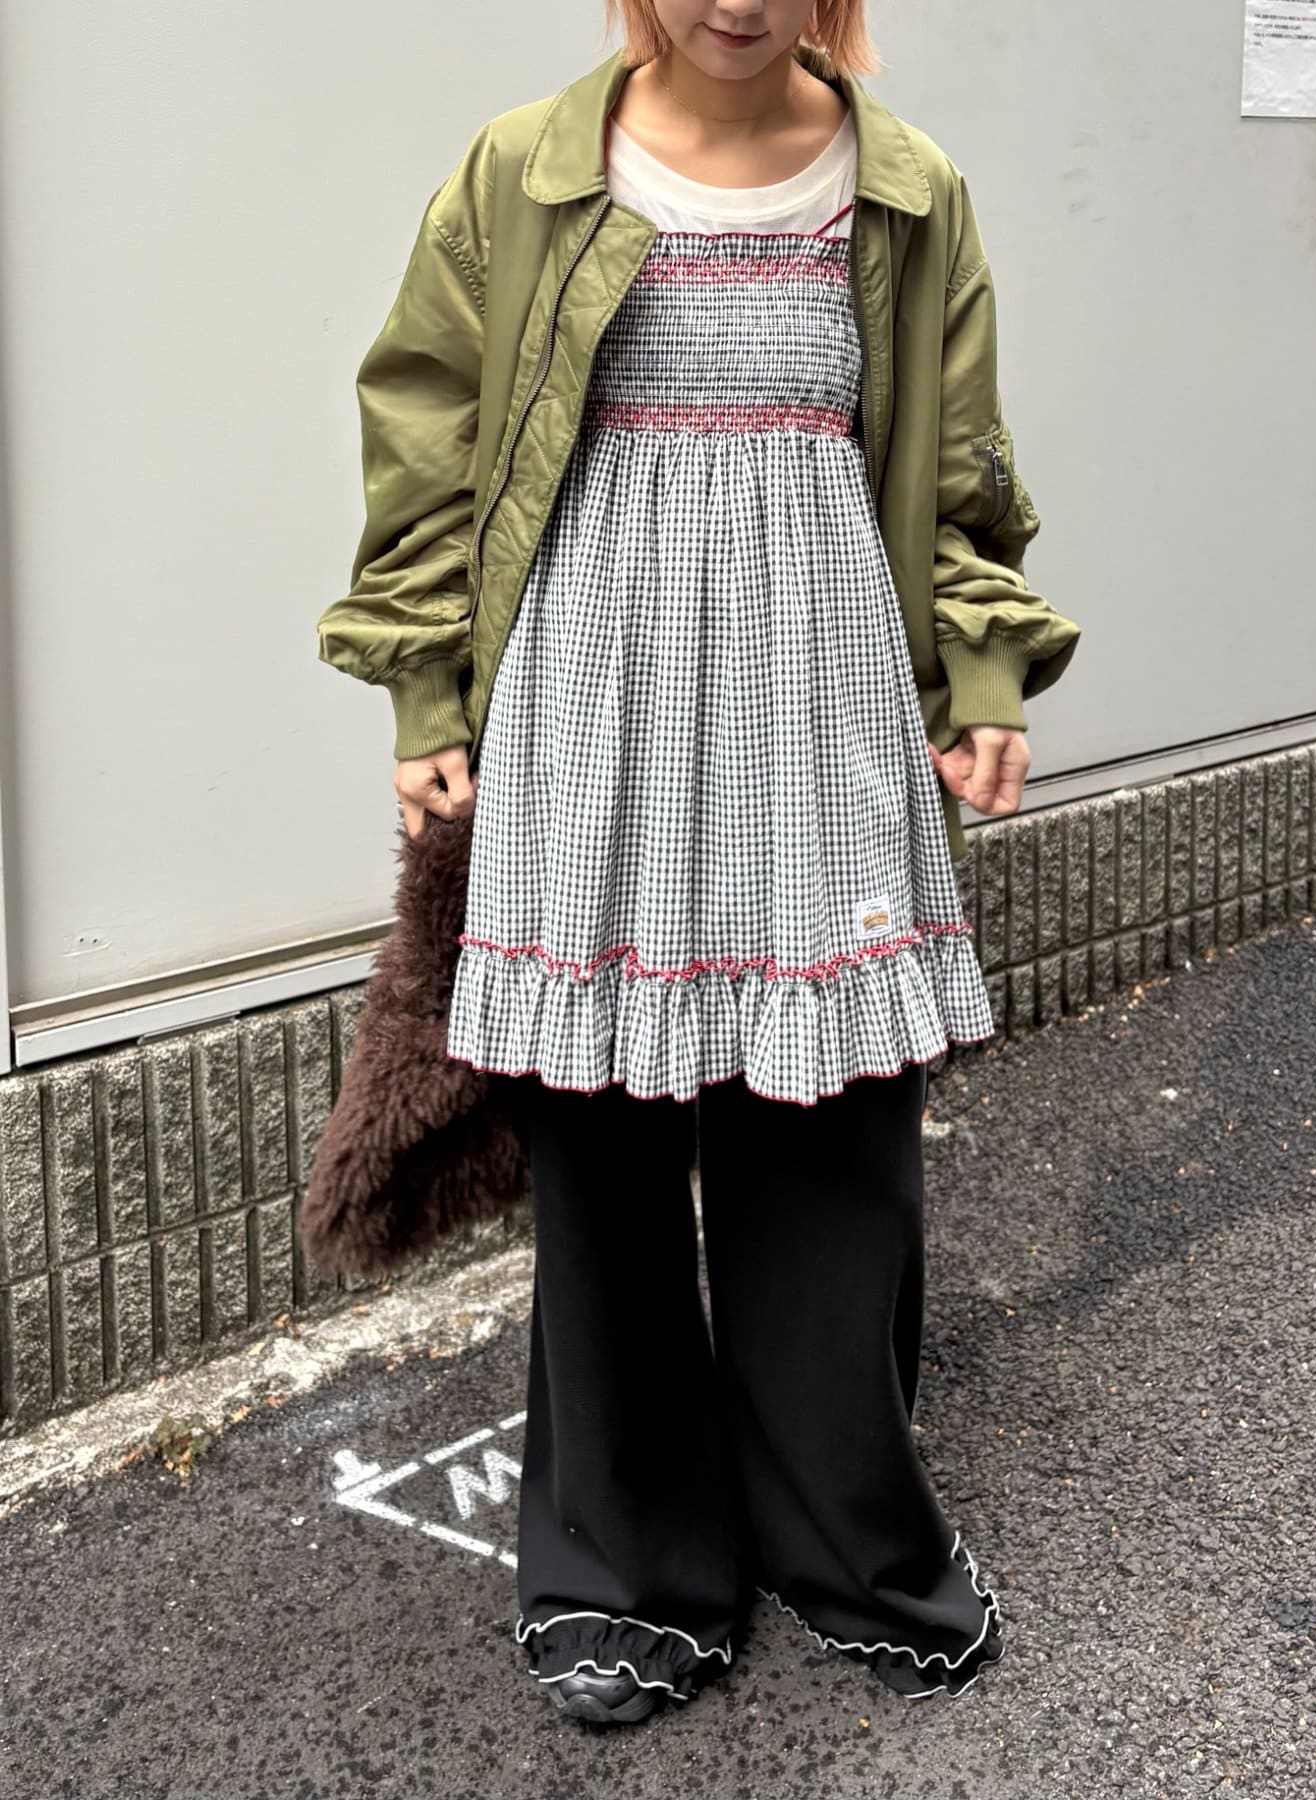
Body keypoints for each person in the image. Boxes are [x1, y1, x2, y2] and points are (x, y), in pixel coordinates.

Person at [318, 0, 1082, 1727]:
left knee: (835, 1136)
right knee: (598, 1147)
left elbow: (959, 469)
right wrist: (425, 687)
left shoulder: (905, 185)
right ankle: (628, 1567)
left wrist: (978, 676)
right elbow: (428, 430)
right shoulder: (524, 172)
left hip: (822, 696)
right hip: (594, 697)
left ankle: (848, 1537)